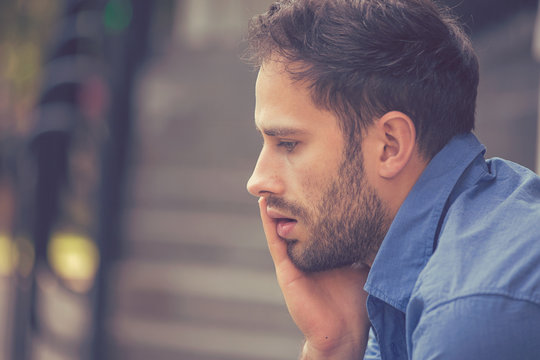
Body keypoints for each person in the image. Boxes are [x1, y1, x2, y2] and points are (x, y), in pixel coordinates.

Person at [244, 0, 540, 359]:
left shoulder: (469, 312)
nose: (258, 181)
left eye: (288, 143)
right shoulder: (405, 275)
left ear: (390, 145)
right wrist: (336, 346)